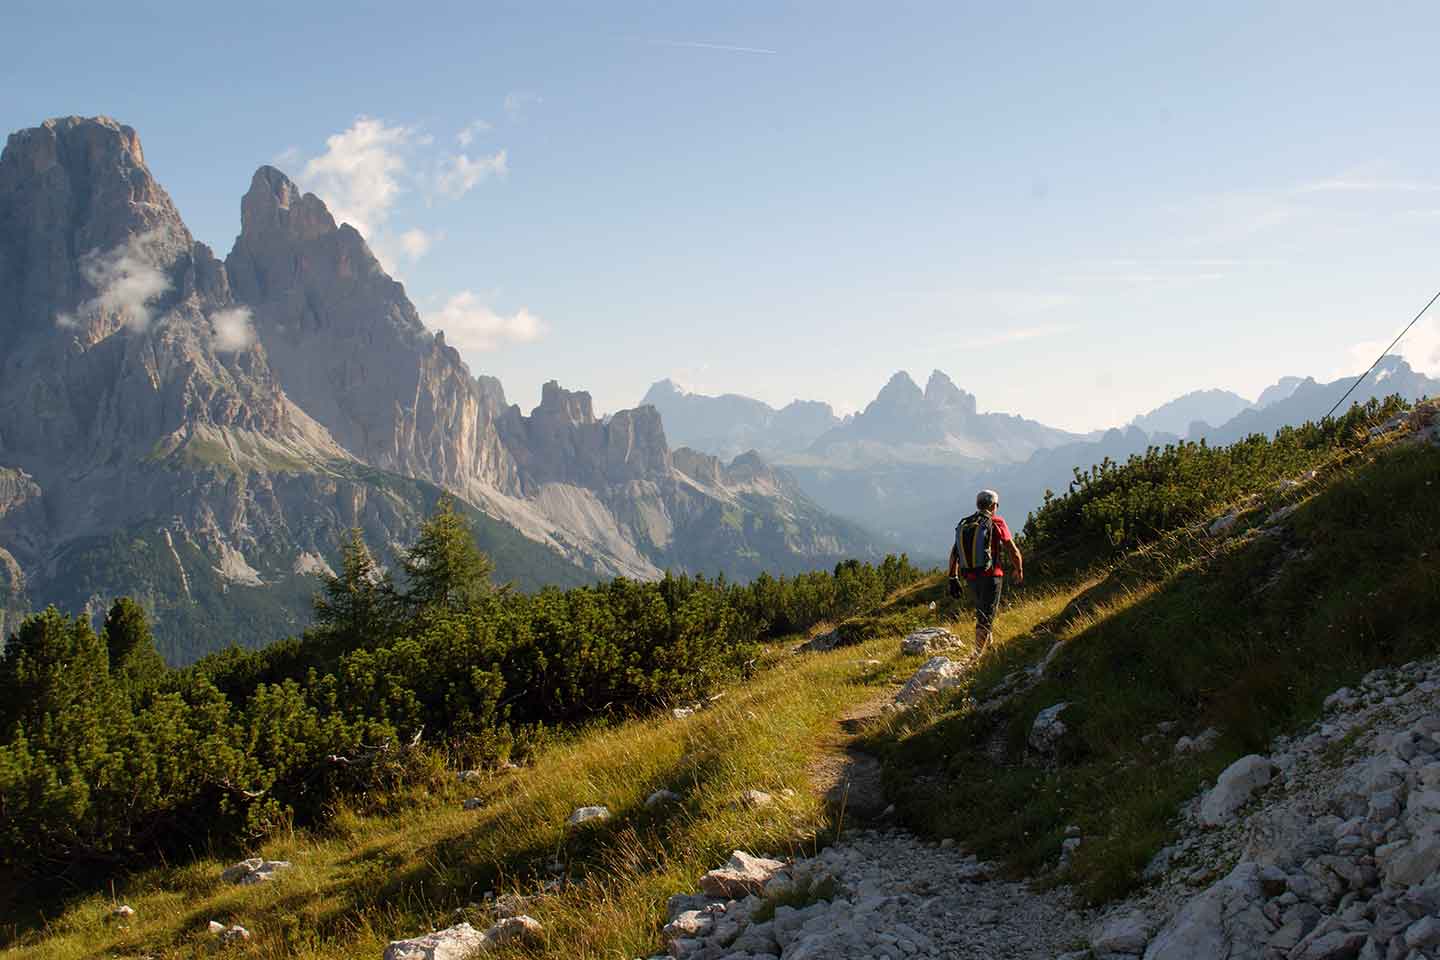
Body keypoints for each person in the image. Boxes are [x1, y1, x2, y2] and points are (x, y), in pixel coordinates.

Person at [948, 488, 1023, 652]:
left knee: (983, 612)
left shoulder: (967, 523)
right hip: (991, 576)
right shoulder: (996, 522)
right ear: (994, 505)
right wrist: (1019, 569)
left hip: (971, 576)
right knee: (986, 616)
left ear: (977, 504)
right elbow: (1012, 548)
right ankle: (976, 656)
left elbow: (955, 552)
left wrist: (953, 577)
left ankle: (988, 651)